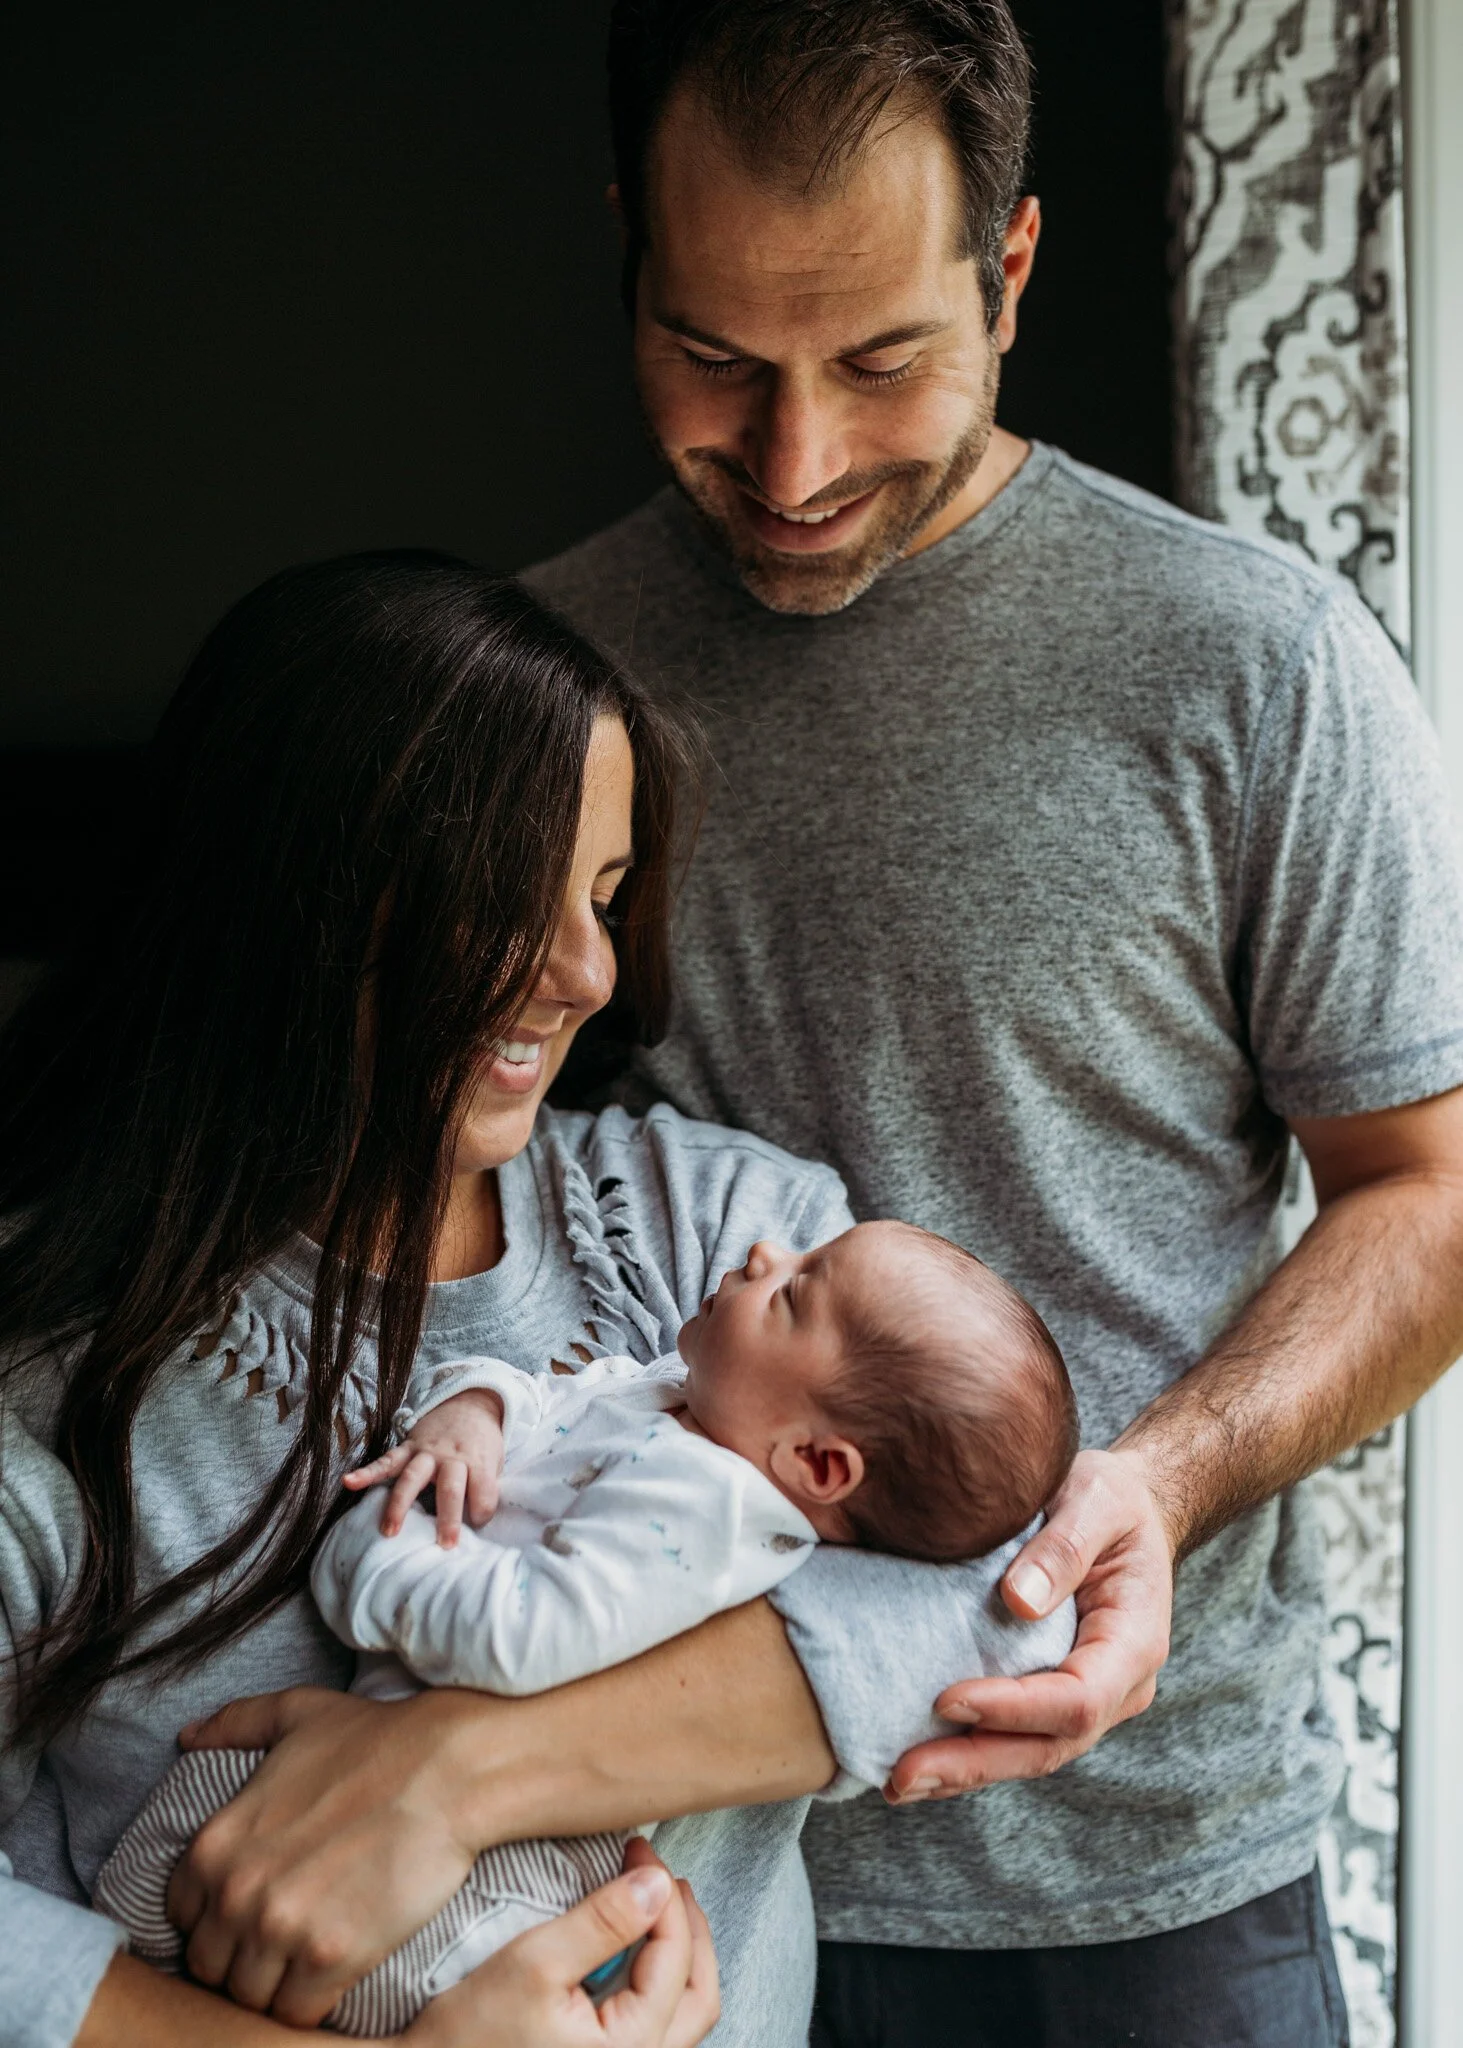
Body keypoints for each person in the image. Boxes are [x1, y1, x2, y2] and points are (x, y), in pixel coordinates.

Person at [516, 3, 1463, 2043]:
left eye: (876, 364)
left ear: (1007, 274)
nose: (790, 466)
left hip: (1153, 1861)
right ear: (626, 252)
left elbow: (1428, 1194)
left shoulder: (1252, 660)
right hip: (656, 1869)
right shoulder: (533, 682)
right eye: (709, 357)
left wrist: (1162, 1475)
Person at [0, 553, 1072, 2048]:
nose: (582, 968)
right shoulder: (51, 1388)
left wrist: (455, 1774)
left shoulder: (723, 1231)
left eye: (608, 893)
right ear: (289, 900)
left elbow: (1003, 1595)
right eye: (506, 895)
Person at [91, 1219, 1078, 2033]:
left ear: (815, 1466)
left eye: (790, 1293)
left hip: (517, 1865)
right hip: (369, 1790)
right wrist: (473, 1410)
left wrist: (372, 1563)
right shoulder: (678, 1399)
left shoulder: (704, 1512)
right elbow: (552, 1407)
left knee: (244, 1899)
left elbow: (520, 1640)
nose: (760, 1251)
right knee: (172, 1863)